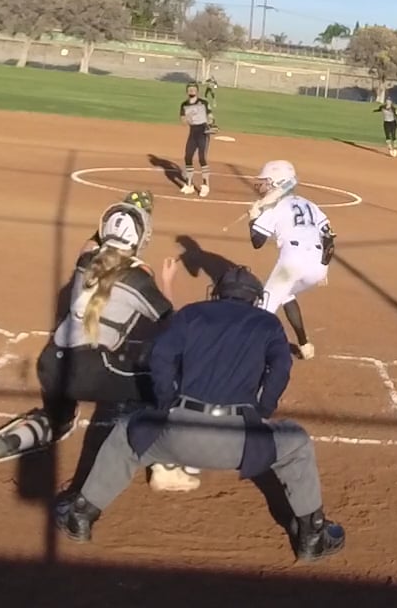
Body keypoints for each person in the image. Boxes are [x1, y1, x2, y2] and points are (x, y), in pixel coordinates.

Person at [50, 264, 347, 563]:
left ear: (217, 293)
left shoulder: (192, 313)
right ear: (256, 298)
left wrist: (166, 403)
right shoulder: (268, 324)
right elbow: (280, 370)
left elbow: (160, 357)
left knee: (126, 434)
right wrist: (262, 410)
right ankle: (312, 536)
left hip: (175, 436)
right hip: (240, 443)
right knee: (297, 444)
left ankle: (82, 514)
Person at [0, 191, 198, 491]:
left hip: (52, 363)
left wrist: (120, 216)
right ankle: (165, 467)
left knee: (58, 420)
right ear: (141, 238)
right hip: (91, 371)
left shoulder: (86, 262)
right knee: (164, 385)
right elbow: (172, 326)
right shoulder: (139, 279)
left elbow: (95, 245)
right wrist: (168, 283)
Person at [245, 160, 335, 360]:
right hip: (318, 266)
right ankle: (304, 344)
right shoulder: (310, 205)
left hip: (291, 265)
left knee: (263, 308)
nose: (262, 185)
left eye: (267, 181)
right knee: (285, 294)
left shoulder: (273, 207)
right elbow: (329, 238)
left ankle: (248, 356)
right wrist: (325, 266)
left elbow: (257, 242)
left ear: (277, 183)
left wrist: (253, 218)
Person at [177, 83, 215, 197]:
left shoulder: (203, 103)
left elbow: (210, 116)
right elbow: (183, 121)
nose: (191, 91)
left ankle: (205, 185)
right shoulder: (184, 104)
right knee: (188, 157)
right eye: (189, 89)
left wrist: (211, 123)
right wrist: (187, 118)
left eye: (194, 89)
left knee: (202, 158)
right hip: (193, 132)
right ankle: (189, 185)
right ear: (187, 91)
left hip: (203, 132)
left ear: (197, 91)